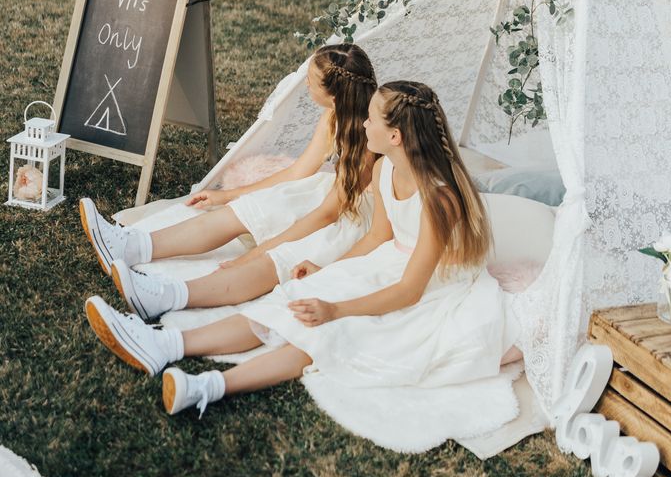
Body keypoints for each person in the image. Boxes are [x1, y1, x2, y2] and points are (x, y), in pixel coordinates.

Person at [84, 81, 518, 420]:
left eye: (371, 120)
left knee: (324, 333)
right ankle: (167, 343)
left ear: (397, 135)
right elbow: (376, 239)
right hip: (389, 263)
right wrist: (328, 267)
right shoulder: (385, 168)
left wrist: (339, 309)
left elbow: (409, 290)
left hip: (429, 287)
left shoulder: (439, 198)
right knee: (290, 301)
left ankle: (212, 386)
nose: (363, 125)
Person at [78, 43, 378, 312]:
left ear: (333, 92)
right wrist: (229, 195)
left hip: (355, 216)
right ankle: (133, 245)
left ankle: (174, 294)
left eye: (311, 82)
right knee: (258, 204)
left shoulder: (367, 142)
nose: (306, 87)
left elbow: (326, 214)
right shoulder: (333, 116)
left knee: (282, 251)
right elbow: (298, 171)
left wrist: (255, 253)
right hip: (331, 196)